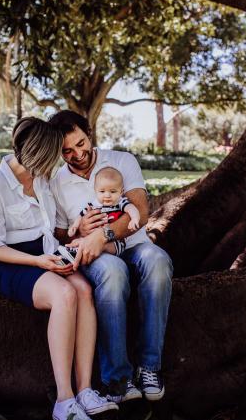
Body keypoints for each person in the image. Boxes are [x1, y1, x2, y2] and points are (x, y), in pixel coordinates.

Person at [0, 117, 118, 420]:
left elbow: (52, 230)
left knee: (83, 289)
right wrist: (38, 262)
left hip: (46, 254)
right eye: (52, 156)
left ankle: (84, 390)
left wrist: (73, 235)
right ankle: (64, 402)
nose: (55, 164)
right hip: (10, 263)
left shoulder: (41, 179)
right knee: (65, 295)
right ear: (37, 153)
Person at [48, 111, 173, 403]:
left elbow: (140, 212)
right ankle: (117, 378)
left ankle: (149, 367)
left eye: (80, 143)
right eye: (67, 150)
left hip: (134, 244)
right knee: (112, 272)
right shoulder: (57, 182)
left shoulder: (121, 161)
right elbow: (59, 233)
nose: (77, 154)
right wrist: (77, 233)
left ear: (89, 133)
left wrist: (102, 235)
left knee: (158, 261)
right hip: (94, 257)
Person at [67, 166, 141, 256]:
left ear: (121, 192)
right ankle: (71, 250)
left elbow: (131, 208)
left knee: (110, 245)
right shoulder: (93, 205)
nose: (107, 195)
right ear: (95, 191)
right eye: (102, 191)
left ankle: (99, 248)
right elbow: (81, 215)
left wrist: (134, 218)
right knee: (78, 240)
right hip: (93, 240)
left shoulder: (120, 203)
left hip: (115, 241)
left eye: (113, 191)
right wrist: (74, 226)